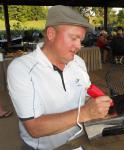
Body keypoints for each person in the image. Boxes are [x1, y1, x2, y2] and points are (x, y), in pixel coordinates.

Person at [7, 5, 112, 150]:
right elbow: (34, 128)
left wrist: (100, 106)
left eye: (80, 40)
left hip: (78, 143)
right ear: (51, 34)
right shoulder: (22, 69)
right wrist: (86, 112)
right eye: (74, 38)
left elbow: (86, 95)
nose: (79, 46)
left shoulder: (78, 62)